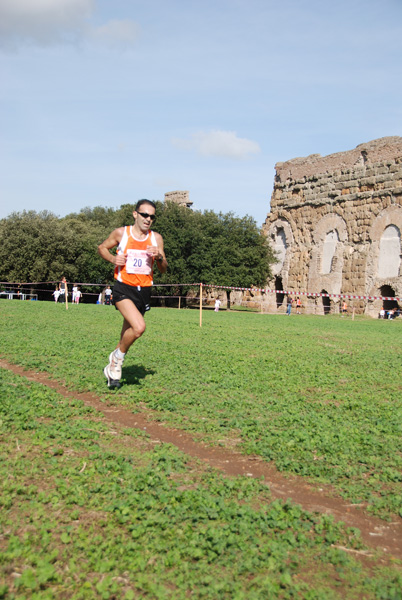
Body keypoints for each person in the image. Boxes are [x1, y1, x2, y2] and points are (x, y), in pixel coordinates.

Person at [97, 200, 167, 389]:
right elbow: (102, 247)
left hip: (143, 290)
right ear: (135, 214)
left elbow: (163, 269)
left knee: (127, 332)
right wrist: (113, 258)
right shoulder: (121, 233)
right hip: (123, 288)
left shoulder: (156, 238)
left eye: (152, 216)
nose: (148, 219)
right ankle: (117, 356)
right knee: (139, 328)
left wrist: (158, 257)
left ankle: (114, 369)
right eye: (145, 215)